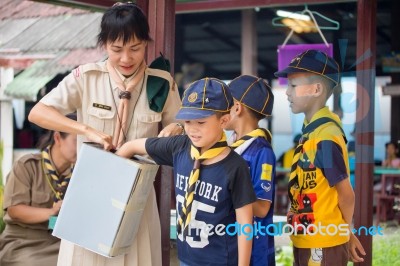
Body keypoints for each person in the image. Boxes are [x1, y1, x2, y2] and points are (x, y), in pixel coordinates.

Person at [28, 3, 182, 266]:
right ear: (104, 44)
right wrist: (85, 129)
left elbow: (181, 127)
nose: (126, 58)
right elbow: (38, 113)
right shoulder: (86, 78)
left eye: (134, 48)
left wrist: (174, 129)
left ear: (146, 42)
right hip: (91, 191)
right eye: (116, 49)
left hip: (138, 197)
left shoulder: (162, 83)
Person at [117, 77, 256, 266]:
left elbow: (245, 223)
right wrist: (112, 190)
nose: (192, 129)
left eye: (201, 122)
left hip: (221, 261)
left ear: (223, 120)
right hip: (185, 259)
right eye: (188, 121)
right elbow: (131, 147)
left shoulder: (235, 167)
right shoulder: (180, 147)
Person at [274, 49, 366, 265]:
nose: (287, 92)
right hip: (307, 238)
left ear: (316, 89)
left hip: (322, 243)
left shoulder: (325, 137)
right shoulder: (310, 133)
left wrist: (344, 232)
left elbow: (346, 194)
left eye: (293, 86)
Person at [0, 113, 77, 266]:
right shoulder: (27, 166)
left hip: (59, 243)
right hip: (23, 242)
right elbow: (15, 211)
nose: (81, 147)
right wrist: (52, 212)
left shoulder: (78, 175)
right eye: (76, 141)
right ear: (57, 138)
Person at [224, 75, 276, 266]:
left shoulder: (261, 151)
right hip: (231, 244)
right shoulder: (231, 144)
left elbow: (262, 209)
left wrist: (226, 192)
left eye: (224, 104)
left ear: (237, 107)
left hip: (255, 252)